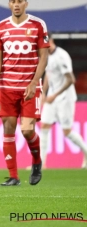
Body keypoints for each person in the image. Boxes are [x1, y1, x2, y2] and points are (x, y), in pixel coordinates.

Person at [0, 0, 49, 186]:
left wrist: (33, 82)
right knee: (8, 128)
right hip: (6, 87)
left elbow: (44, 57)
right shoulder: (1, 27)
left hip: (30, 88)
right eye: (13, 1)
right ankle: (13, 176)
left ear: (26, 4)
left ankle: (36, 162)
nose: (16, 4)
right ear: (9, 4)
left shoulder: (38, 25)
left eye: (20, 1)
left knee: (27, 130)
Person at [40, 35, 87, 168]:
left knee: (67, 131)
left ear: (51, 40)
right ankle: (41, 164)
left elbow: (71, 79)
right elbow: (48, 74)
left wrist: (54, 95)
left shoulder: (62, 56)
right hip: (51, 97)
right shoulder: (46, 56)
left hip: (65, 98)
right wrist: (44, 93)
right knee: (44, 126)